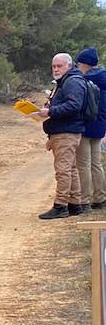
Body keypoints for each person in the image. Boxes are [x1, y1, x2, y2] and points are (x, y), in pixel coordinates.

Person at [35, 52, 91, 219]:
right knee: (71, 168)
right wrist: (52, 105)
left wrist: (50, 110)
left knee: (63, 170)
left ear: (69, 65)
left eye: (59, 66)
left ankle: (60, 206)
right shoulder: (67, 81)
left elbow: (74, 105)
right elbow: (69, 103)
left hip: (66, 131)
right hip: (67, 130)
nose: (56, 69)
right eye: (53, 66)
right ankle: (75, 204)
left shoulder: (72, 81)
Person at [75, 48, 106, 210]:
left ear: (83, 63)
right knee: (96, 164)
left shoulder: (82, 79)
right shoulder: (103, 77)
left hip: (85, 125)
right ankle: (99, 198)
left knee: (83, 165)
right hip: (100, 125)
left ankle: (84, 201)